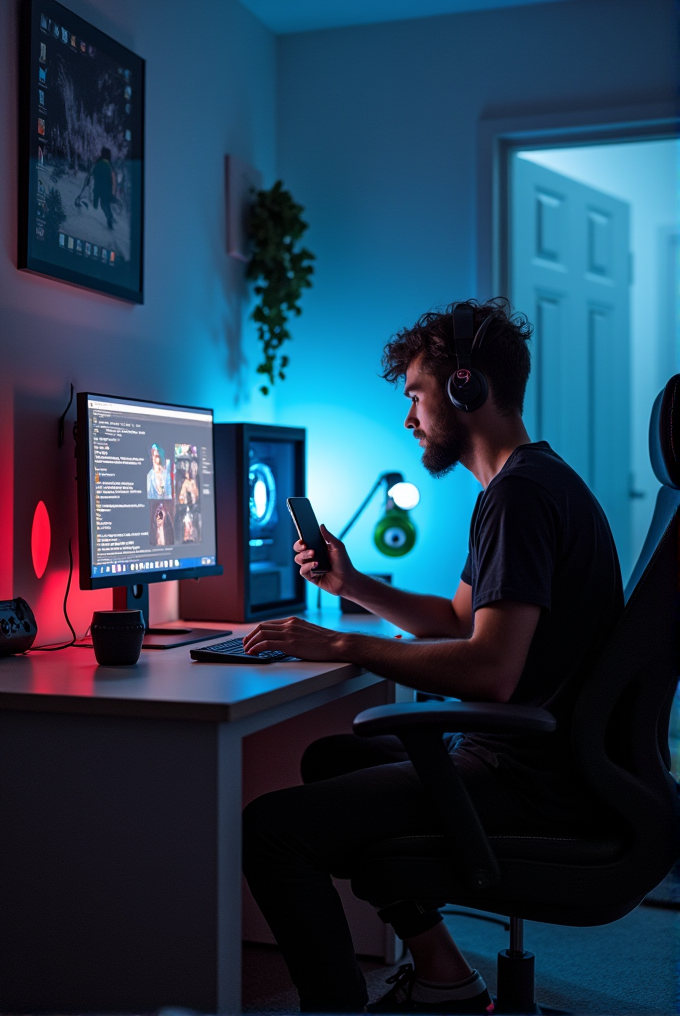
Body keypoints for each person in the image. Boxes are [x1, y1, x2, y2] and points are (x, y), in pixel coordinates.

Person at [241, 297, 623, 1014]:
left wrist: (340, 643)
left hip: (530, 780)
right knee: (331, 762)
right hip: (550, 763)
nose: (409, 417)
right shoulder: (522, 486)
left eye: (415, 394)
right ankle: (445, 974)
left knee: (271, 832)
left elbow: (490, 668)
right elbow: (456, 618)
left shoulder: (520, 498)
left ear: (464, 388)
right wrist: (351, 585)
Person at [92, 146, 116, 229]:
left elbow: (96, 178)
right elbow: (112, 178)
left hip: (101, 188)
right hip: (108, 189)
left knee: (103, 204)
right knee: (106, 204)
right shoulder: (109, 165)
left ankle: (109, 218)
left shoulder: (100, 163)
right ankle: (110, 217)